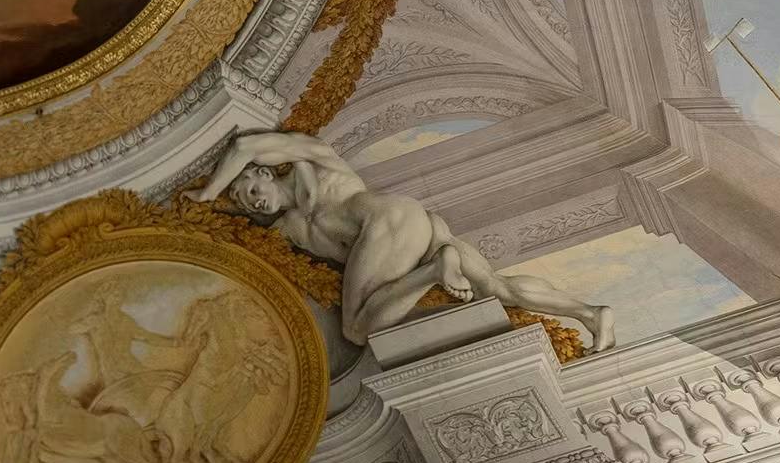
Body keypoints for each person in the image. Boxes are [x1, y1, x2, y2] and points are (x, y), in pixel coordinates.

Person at [194, 130, 614, 350]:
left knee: (357, 330)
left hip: (387, 221)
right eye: (245, 204)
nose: (253, 203)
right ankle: (592, 314)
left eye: (248, 189)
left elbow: (247, 143)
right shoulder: (285, 230)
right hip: (415, 228)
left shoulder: (313, 162)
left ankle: (435, 269)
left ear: (263, 171)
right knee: (496, 287)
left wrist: (209, 192)